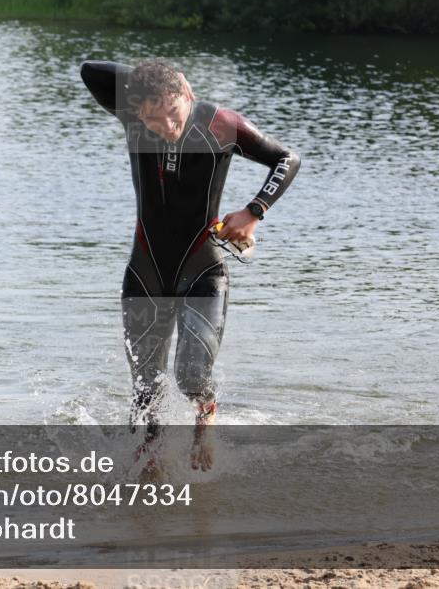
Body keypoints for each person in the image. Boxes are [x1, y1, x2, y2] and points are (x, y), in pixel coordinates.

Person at [79, 59, 300, 471]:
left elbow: (287, 159)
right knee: (145, 391)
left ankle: (206, 411)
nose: (165, 124)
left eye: (172, 112)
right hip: (145, 271)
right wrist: (154, 80)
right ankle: (148, 485)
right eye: (153, 117)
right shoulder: (132, 117)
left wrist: (254, 211)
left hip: (202, 269)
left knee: (191, 376)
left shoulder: (221, 125)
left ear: (187, 95)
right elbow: (90, 70)